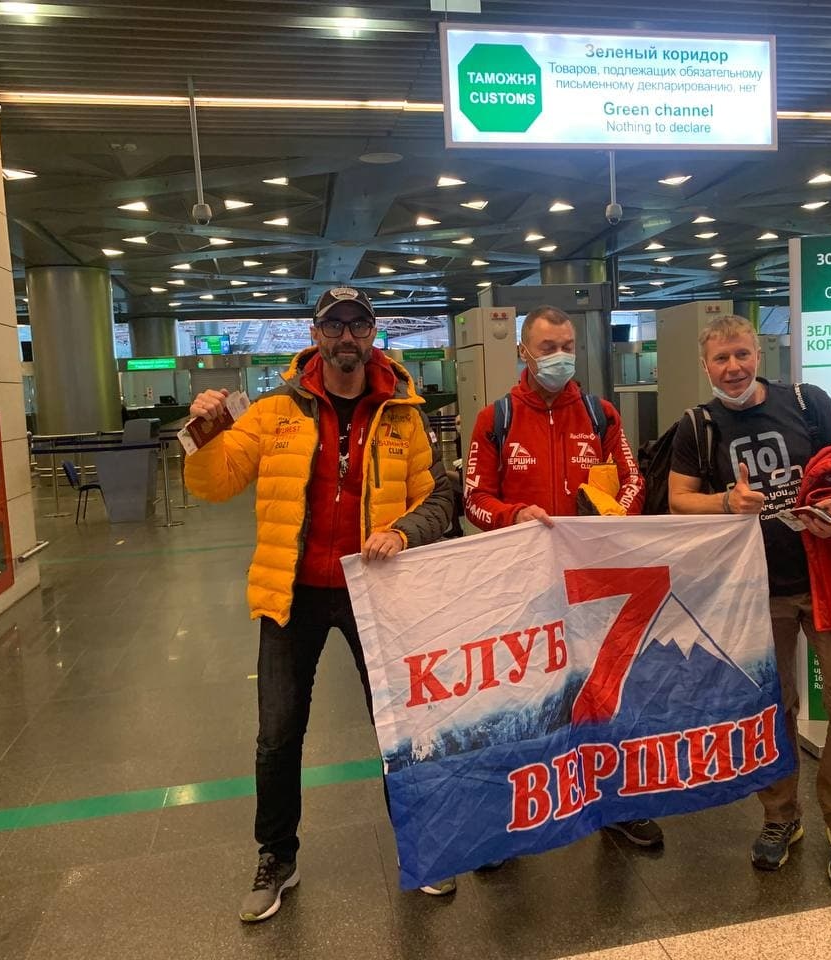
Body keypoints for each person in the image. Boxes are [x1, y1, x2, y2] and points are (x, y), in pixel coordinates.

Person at [184, 286, 455, 919]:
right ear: (315, 335)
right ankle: (277, 856)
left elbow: (438, 498)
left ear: (373, 334)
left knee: (399, 729)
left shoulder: (403, 413)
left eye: (358, 325)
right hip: (292, 593)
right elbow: (216, 483)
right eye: (334, 326)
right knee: (278, 735)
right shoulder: (274, 411)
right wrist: (204, 430)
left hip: (377, 591)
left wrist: (403, 531)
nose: (346, 337)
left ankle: (421, 845)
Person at [666, 314, 831, 890]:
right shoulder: (697, 426)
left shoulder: (807, 403)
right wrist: (727, 503)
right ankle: (781, 816)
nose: (733, 367)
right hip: (753, 591)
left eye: (742, 354)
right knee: (771, 709)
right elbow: (679, 499)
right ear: (705, 366)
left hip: (828, 582)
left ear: (758, 355)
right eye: (720, 359)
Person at [463, 304, 662, 849]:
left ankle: (614, 801)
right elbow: (474, 499)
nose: (559, 357)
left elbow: (633, 480)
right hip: (520, 585)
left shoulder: (600, 415)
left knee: (602, 692)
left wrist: (615, 514)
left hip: (592, 582)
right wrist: (514, 516)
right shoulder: (496, 419)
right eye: (548, 347)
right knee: (517, 700)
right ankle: (507, 814)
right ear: (523, 351)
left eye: (567, 346)